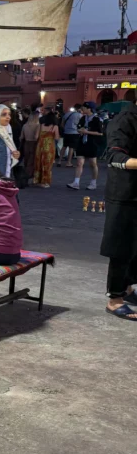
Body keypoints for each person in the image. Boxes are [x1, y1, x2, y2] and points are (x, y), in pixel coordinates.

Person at [101, 89, 137, 321]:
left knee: (135, 246)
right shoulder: (124, 119)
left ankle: (128, 289)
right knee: (121, 247)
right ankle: (115, 300)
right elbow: (114, 157)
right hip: (124, 193)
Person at [69, 102, 103, 190]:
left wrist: (87, 132)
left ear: (89, 109)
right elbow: (79, 127)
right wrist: (80, 130)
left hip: (92, 143)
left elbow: (100, 133)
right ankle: (76, 182)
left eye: (84, 108)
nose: (82, 109)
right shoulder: (83, 118)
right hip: (82, 142)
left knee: (93, 164)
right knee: (79, 163)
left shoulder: (97, 119)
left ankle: (93, 183)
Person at [33, 112, 59, 187]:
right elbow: (57, 138)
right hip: (49, 147)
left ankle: (37, 180)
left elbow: (36, 137)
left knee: (38, 163)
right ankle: (45, 182)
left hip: (40, 146)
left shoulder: (40, 125)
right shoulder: (55, 127)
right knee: (47, 164)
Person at [21, 108, 41, 180]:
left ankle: (26, 172)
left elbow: (21, 137)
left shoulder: (25, 125)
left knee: (26, 159)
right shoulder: (38, 126)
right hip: (34, 143)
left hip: (26, 143)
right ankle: (29, 173)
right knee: (32, 160)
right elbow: (36, 136)